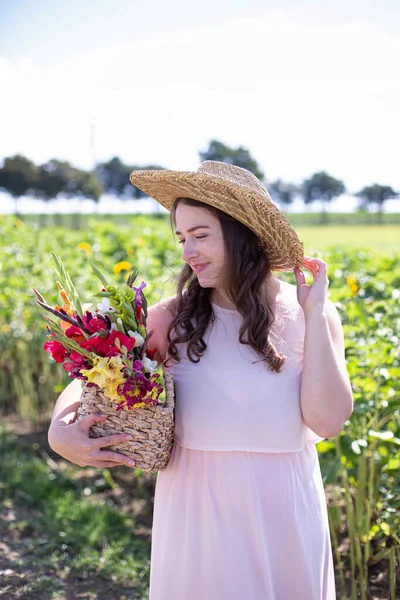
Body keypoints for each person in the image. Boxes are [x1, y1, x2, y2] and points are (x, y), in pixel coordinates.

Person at [48, 161, 353, 600]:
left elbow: (328, 421)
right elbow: (92, 377)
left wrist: (314, 313)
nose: (187, 251)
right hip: (198, 509)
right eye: (181, 237)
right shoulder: (169, 319)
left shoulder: (313, 313)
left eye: (201, 234)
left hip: (287, 507)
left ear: (242, 232)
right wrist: (61, 430)